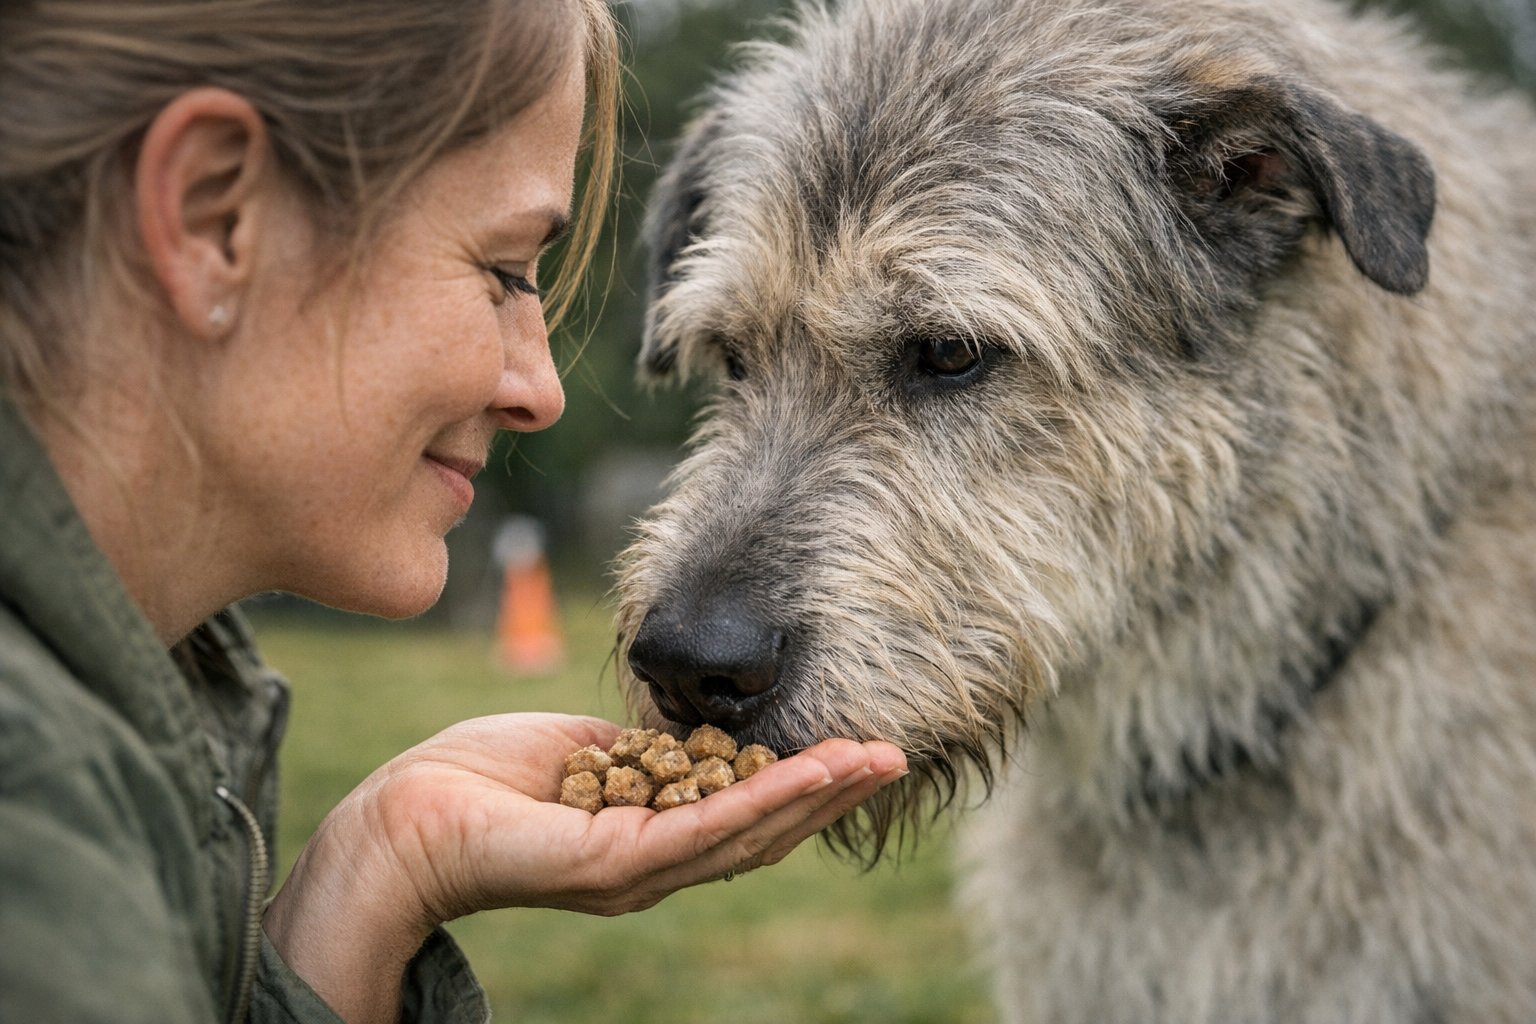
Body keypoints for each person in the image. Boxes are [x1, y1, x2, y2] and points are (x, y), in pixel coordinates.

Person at [0, 2, 908, 1022]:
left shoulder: (126, 726)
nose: (541, 388)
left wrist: (377, 870)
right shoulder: (29, 828)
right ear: (216, 216)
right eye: (505, 272)